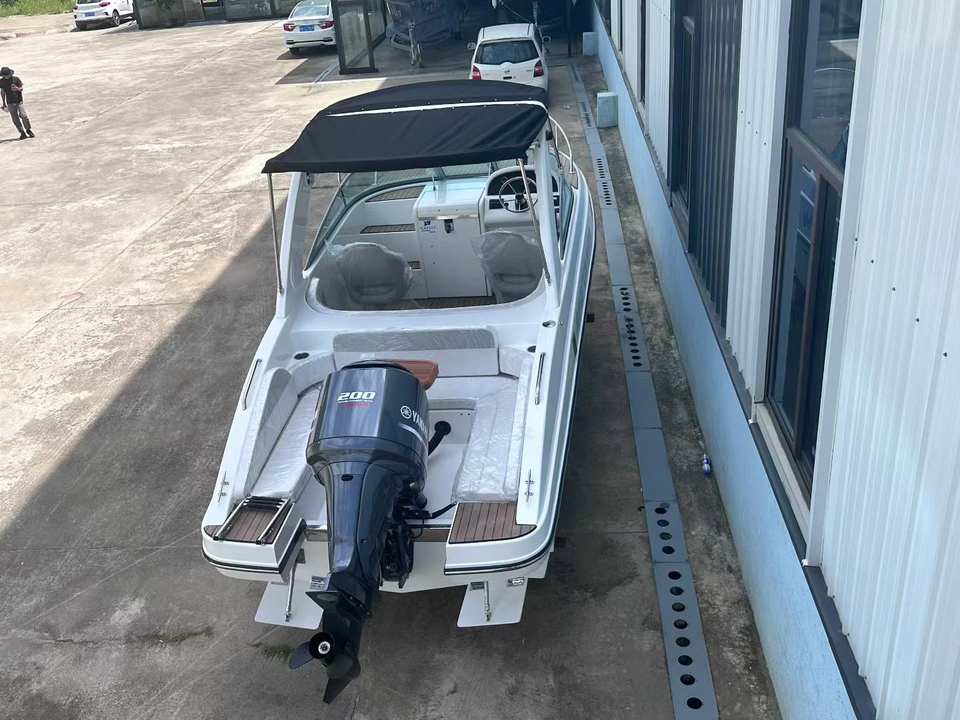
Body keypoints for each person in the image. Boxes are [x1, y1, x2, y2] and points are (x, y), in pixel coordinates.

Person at [0, 67, 34, 140]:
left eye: (8, 74)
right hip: (10, 102)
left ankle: (28, 130)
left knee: (24, 116)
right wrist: (4, 103)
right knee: (15, 119)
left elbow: (21, 88)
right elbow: (2, 92)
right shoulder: (1, 81)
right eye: (6, 75)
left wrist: (17, 89)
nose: (7, 76)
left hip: (19, 101)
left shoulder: (16, 79)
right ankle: (22, 132)